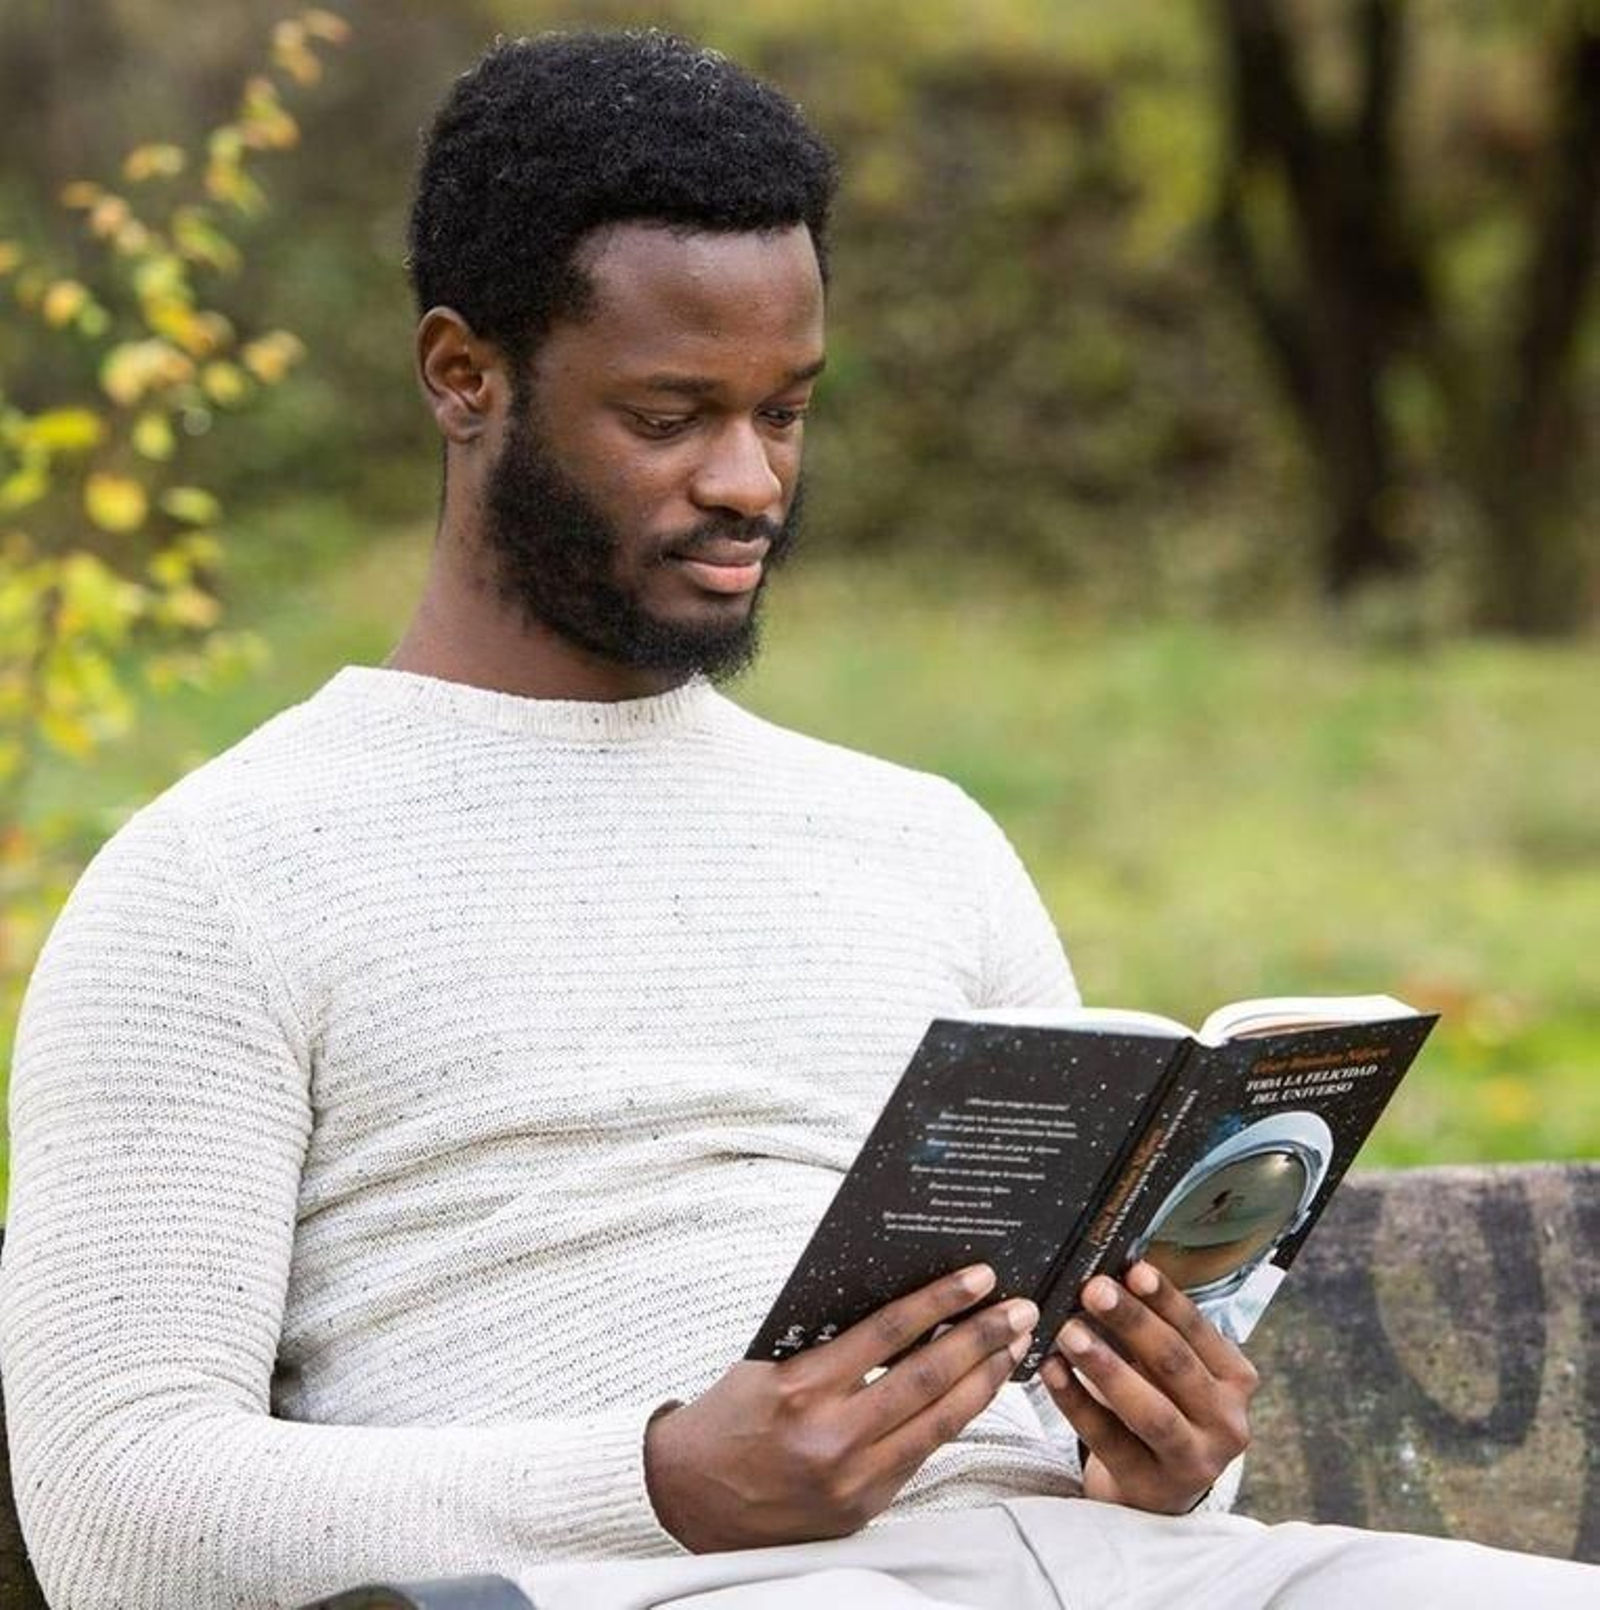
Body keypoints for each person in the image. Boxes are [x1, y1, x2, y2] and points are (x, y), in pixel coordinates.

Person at [0, 29, 1591, 1610]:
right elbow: (117, 1516)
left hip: (1119, 1568)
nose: (752, 482)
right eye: (671, 415)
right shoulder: (218, 881)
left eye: (786, 411)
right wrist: (657, 1485)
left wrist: (1164, 1448)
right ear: (464, 376)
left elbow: (1067, 1398)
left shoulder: (921, 839)